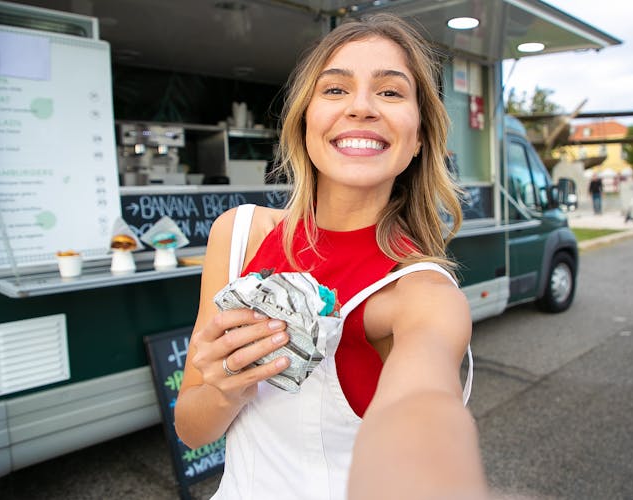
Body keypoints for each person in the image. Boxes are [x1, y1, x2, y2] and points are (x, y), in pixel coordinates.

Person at [174, 13, 487, 499]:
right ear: (304, 121)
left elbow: (425, 407)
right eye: (335, 90)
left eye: (390, 92)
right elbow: (192, 430)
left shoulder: (421, 293)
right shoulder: (236, 235)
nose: (361, 107)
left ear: (421, 136)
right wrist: (222, 387)